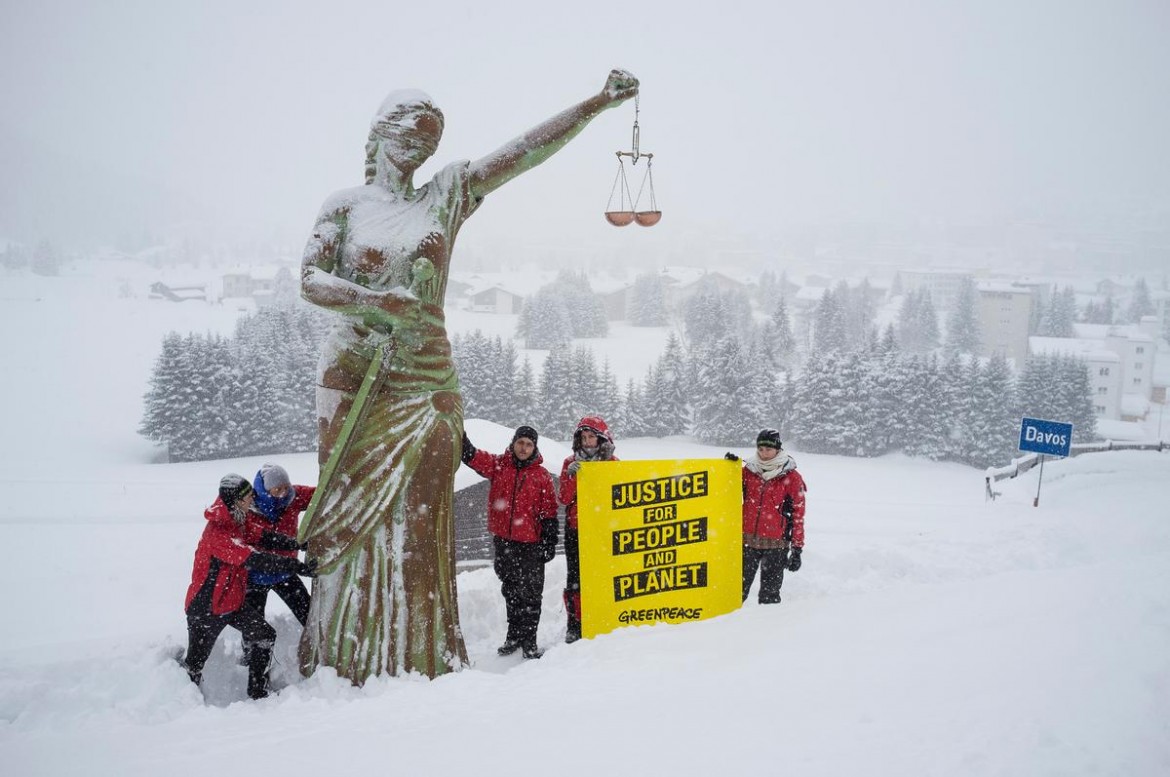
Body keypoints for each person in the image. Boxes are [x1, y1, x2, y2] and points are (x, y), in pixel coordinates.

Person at [298, 70, 639, 683]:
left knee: (424, 519)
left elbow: (522, 154)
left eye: (430, 144)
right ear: (379, 137)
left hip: (427, 377)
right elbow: (311, 282)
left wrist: (594, 104)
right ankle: (344, 650)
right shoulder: (344, 206)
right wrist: (378, 304)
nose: (420, 154)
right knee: (351, 511)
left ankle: (416, 647)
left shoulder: (446, 195)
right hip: (355, 375)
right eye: (411, 139)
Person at [182, 474, 317, 700]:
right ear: (235, 500)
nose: (251, 499)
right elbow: (257, 559)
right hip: (206, 610)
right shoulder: (219, 533)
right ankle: (184, 701)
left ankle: (258, 691)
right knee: (195, 664)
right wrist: (297, 566)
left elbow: (264, 537)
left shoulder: (238, 521)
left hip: (232, 603)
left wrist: (297, 544)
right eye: (247, 497)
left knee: (264, 635)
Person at [461, 426, 559, 659]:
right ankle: (514, 636)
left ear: (534, 448)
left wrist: (549, 540)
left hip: (532, 543)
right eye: (520, 443)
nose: (524, 448)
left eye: (529, 444)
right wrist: (460, 436)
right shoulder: (499, 465)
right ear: (513, 443)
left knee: (532, 594)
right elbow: (472, 456)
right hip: (504, 542)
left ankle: (530, 642)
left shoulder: (542, 475)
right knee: (511, 590)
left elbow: (550, 511)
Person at [726, 429, 806, 605]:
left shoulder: (792, 477)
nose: (764, 453)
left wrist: (797, 549)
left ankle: (768, 629)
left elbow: (798, 514)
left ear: (778, 449)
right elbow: (725, 486)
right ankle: (727, 629)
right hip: (746, 542)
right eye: (760, 449)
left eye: (768, 449)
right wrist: (728, 468)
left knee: (769, 597)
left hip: (776, 545)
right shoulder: (748, 471)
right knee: (734, 593)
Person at [558, 415, 618, 643]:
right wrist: (572, 477)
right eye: (583, 437)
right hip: (577, 530)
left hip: (604, 531)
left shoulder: (614, 463)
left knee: (604, 577)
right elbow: (563, 498)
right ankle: (575, 624)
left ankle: (604, 616)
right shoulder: (569, 462)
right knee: (575, 580)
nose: (587, 441)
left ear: (601, 438)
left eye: (591, 436)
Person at [243, 463, 316, 627]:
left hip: (286, 572)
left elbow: (322, 494)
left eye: (286, 487)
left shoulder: (294, 496)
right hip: (255, 577)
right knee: (255, 632)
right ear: (264, 489)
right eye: (277, 489)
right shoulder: (248, 506)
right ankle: (252, 653)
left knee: (310, 618)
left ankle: (318, 650)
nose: (283, 493)